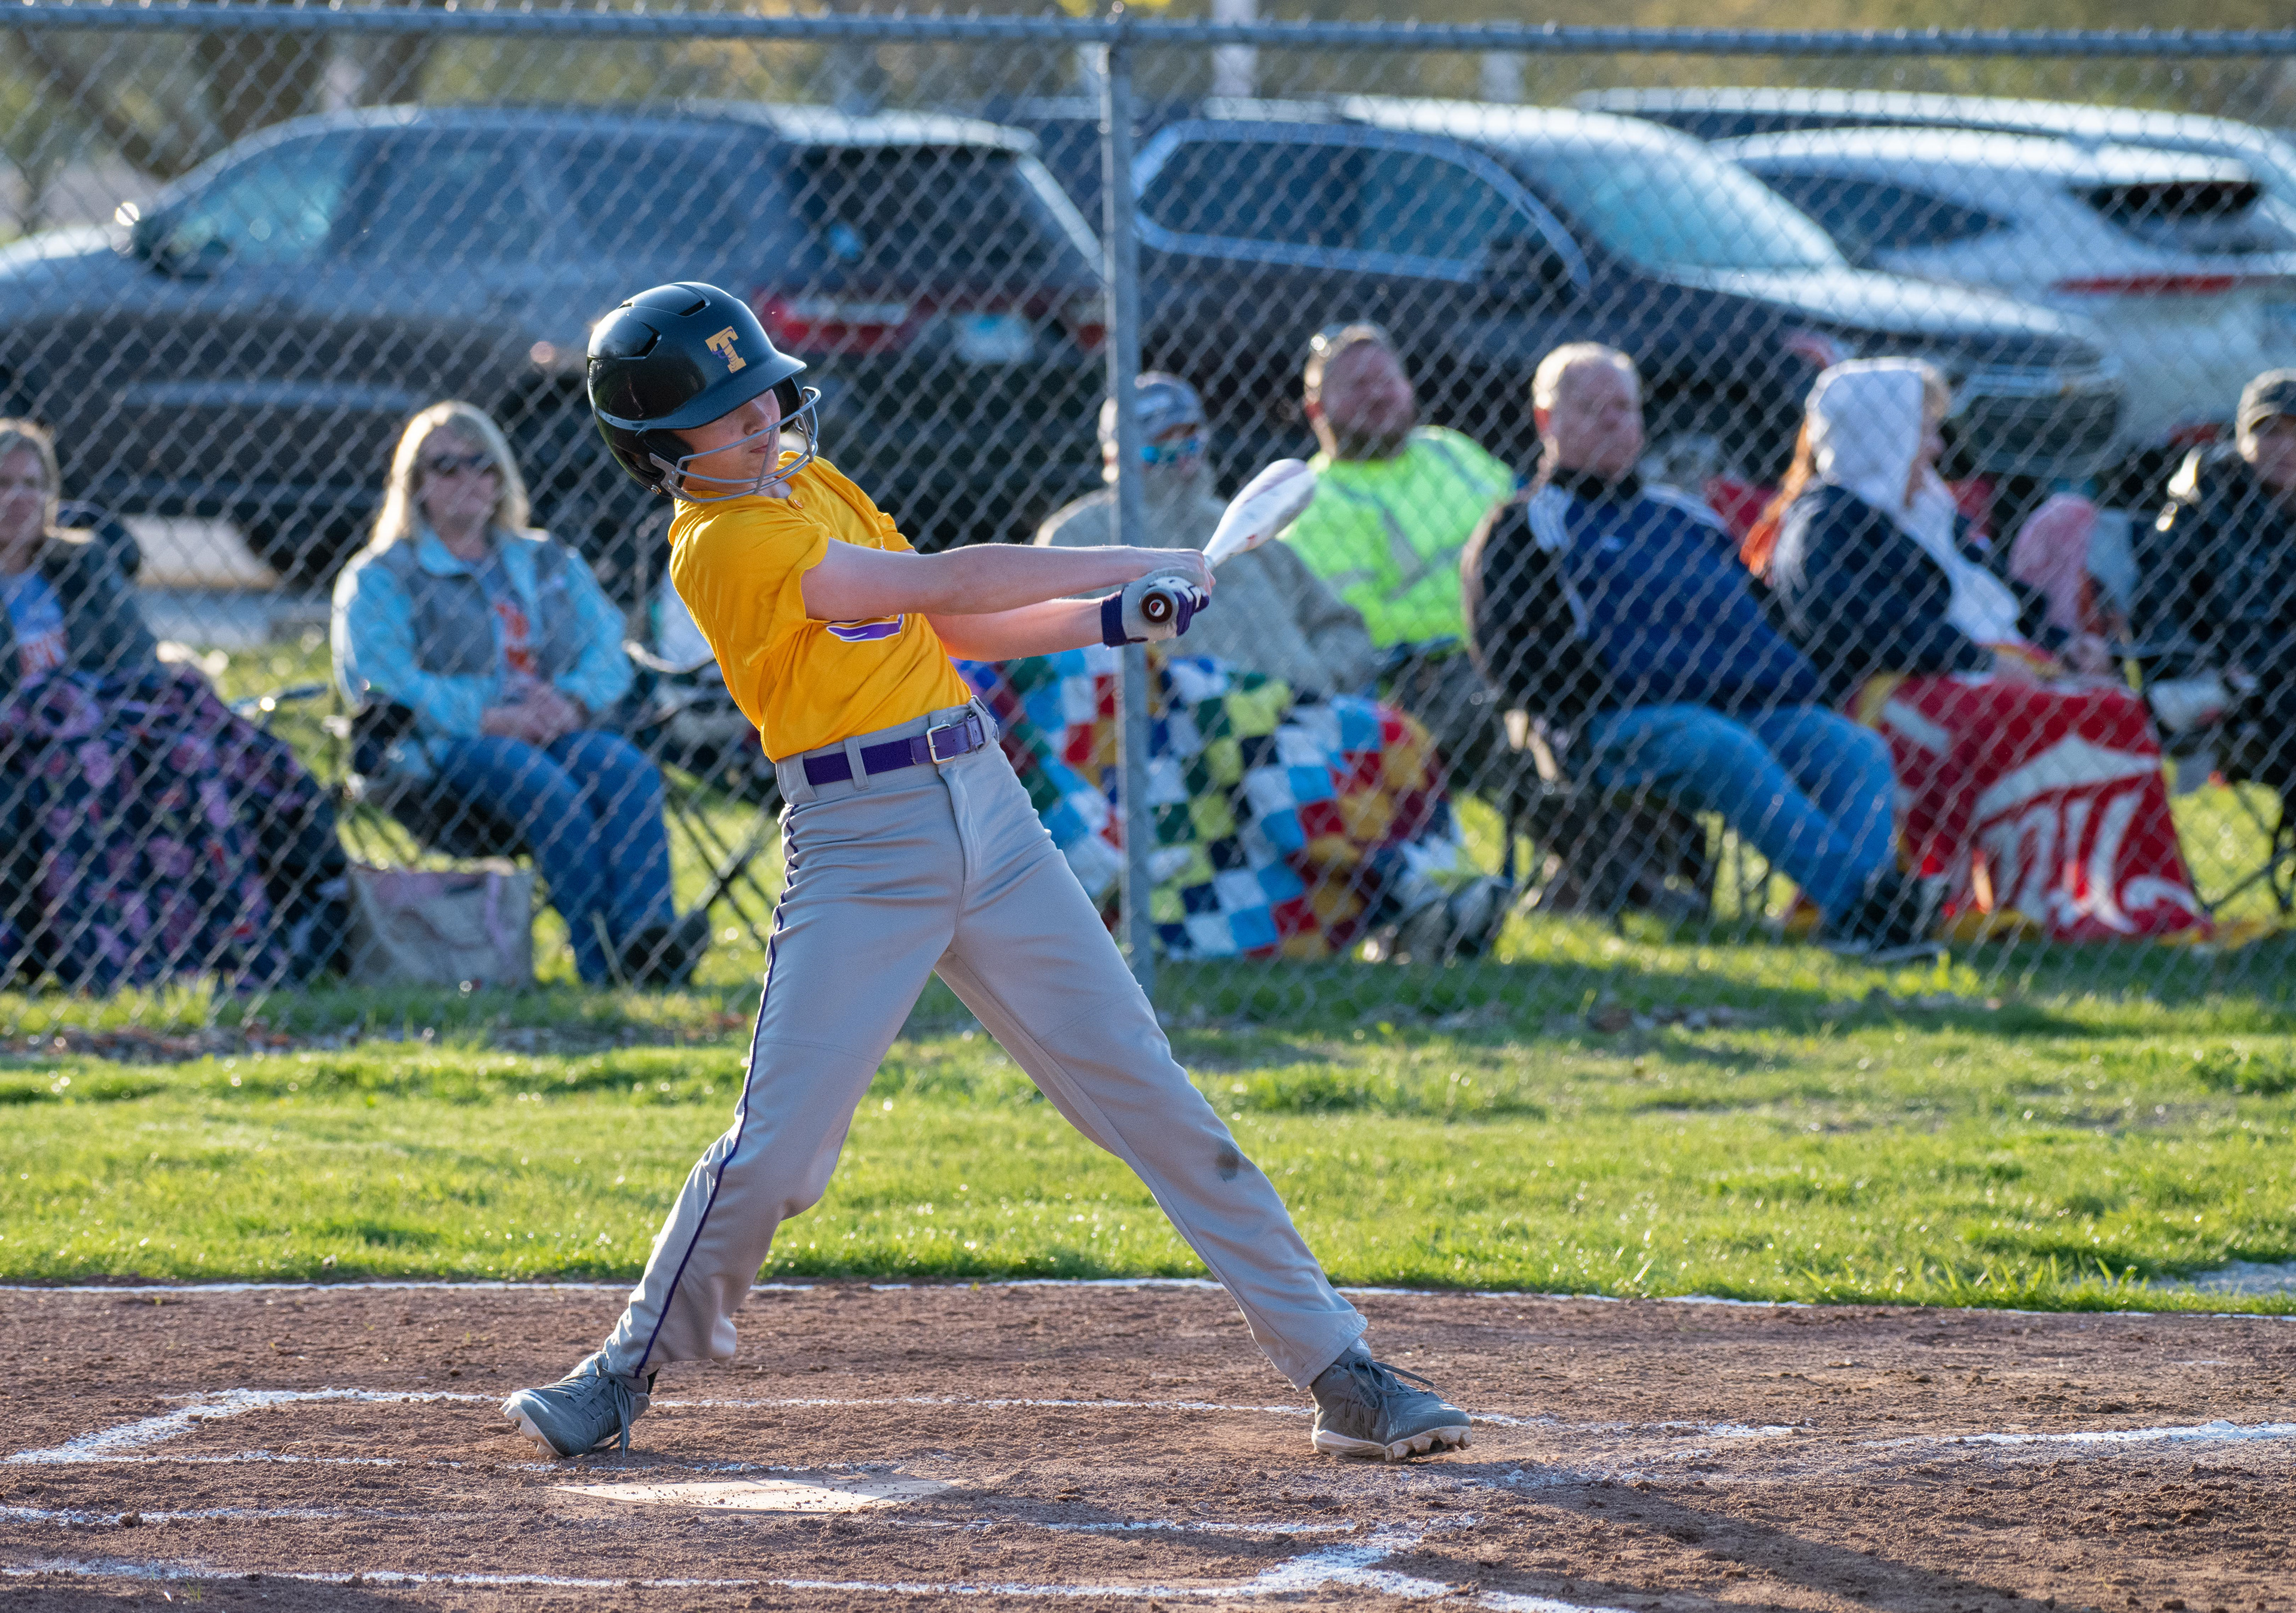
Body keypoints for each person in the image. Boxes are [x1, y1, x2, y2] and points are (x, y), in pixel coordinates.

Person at [499, 282, 1471, 1465]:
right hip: (863, 844)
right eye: (727, 409)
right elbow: (947, 583)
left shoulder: (810, 485)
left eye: (763, 395)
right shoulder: (723, 543)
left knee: (1150, 1092)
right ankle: (621, 1372)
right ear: (659, 444)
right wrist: (1143, 553)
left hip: (989, 805)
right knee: (779, 1150)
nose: (760, 419)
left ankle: (1340, 1368)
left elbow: (947, 632)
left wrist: (1112, 617)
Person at [1461, 345, 1928, 957]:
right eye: (1592, 409)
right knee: (1719, 745)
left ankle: (1861, 915)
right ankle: (1869, 910)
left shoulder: (1687, 519)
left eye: (1625, 408)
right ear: (1547, 420)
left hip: (1736, 709)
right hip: (1605, 727)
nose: (1613, 422)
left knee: (1853, 749)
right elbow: (1516, 657)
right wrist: (1623, 687)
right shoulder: (1524, 526)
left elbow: (1760, 622)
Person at [1754, 359, 2210, 942]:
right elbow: (1849, 622)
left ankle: (2113, 897)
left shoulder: (1933, 514)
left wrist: (2065, 648)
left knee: (2112, 706)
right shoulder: (1827, 519)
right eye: (1924, 431)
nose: (1938, 447)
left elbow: (2005, 598)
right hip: (1885, 692)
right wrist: (1977, 660)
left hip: (1976, 674)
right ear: (1881, 433)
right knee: (2006, 712)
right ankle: (1992, 893)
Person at [332, 402, 709, 988]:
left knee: (626, 770)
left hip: (556, 729)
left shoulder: (546, 557)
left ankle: (648, 942)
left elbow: (609, 646)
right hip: (438, 751)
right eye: (446, 466)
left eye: (482, 464)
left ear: (502, 475)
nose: (468, 479)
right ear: (416, 484)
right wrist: (491, 714)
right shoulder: (380, 575)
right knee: (545, 787)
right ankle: (603, 961)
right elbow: (382, 680)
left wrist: (571, 702)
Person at [0, 418, 345, 988]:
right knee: (85, 762)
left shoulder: (82, 564)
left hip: (114, 729)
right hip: (29, 743)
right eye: (4, 484)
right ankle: (112, 954)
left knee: (195, 749)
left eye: (32, 484)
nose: (20, 498)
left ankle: (256, 938)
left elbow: (136, 666)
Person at [1035, 372, 1378, 698]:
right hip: (1180, 727)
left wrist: (1320, 681)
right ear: (1116, 456)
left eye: (1190, 439)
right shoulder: (1077, 537)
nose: (1183, 459)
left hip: (1297, 718)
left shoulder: (1243, 527)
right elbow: (1059, 652)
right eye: (1162, 445)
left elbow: (1340, 624)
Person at [1280, 324, 1516, 783]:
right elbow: (1360, 627)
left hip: (1523, 642)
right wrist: (1480, 618)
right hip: (1427, 676)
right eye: (1357, 386)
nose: (1377, 395)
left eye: (1386, 380)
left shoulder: (1448, 450)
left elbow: (1525, 520)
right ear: (1315, 409)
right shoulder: (1314, 503)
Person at [2135, 368, 2296, 801]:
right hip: (2236, 684)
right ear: (2242, 439)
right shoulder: (2202, 505)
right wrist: (2204, 669)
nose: (2287, 448)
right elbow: (2161, 609)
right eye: (2271, 432)